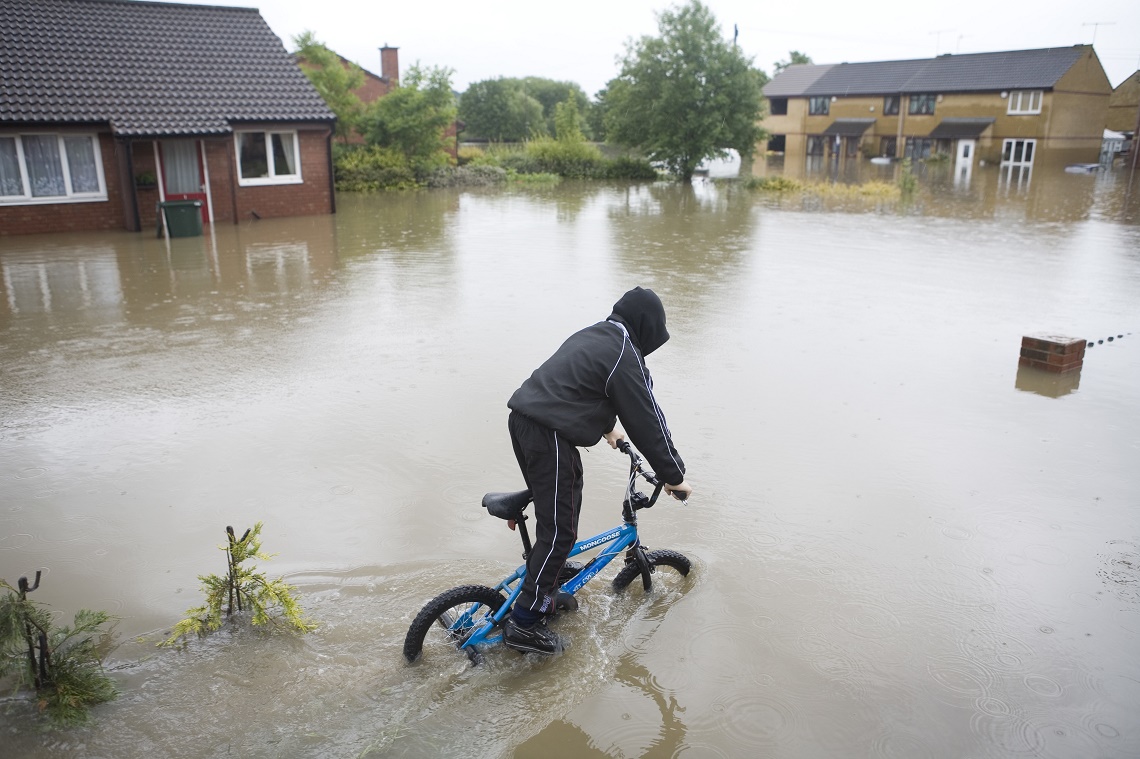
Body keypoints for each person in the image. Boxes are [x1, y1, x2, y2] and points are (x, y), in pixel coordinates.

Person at [502, 286, 693, 654]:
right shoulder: (624, 353)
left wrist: (608, 430)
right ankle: (524, 620)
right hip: (549, 433)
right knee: (560, 529)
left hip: (525, 422)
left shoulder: (597, 334)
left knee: (562, 505)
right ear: (648, 328)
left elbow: (579, 387)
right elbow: (648, 420)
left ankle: (549, 579)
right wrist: (674, 476)